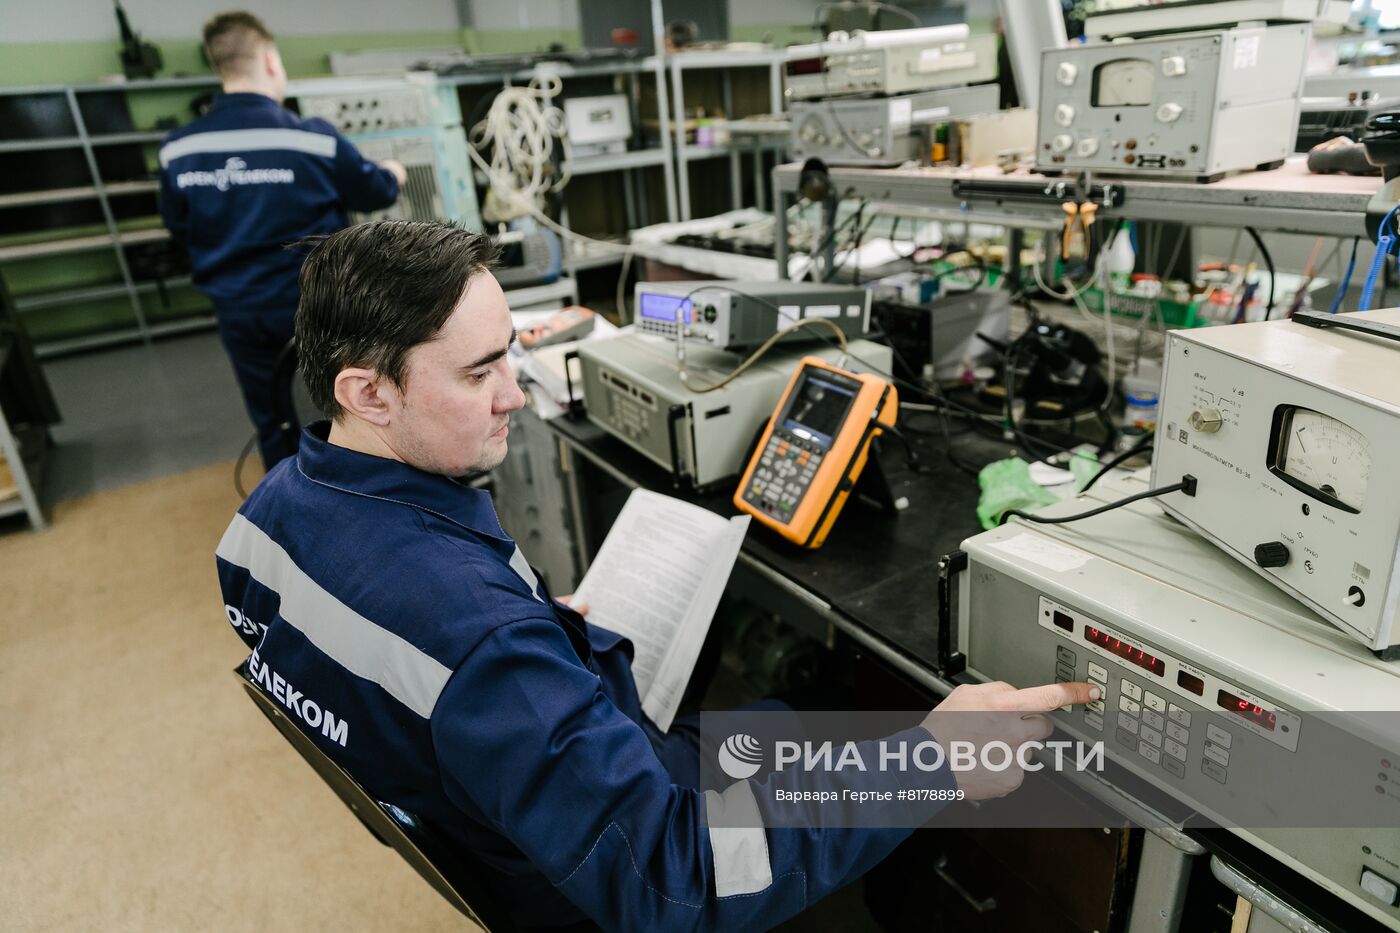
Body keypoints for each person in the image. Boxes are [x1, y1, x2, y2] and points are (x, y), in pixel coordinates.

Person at [215, 221, 1100, 930]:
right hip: (595, 875)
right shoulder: (479, 642)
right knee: (884, 739)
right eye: (481, 371)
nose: (515, 395)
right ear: (368, 392)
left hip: (492, 806)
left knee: (807, 715)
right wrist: (929, 766)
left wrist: (530, 637)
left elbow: (381, 659)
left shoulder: (261, 521)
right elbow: (677, 877)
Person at [158, 11, 407, 470]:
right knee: (342, 407)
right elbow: (374, 192)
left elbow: (178, 227)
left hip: (238, 309)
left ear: (220, 67)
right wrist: (393, 173)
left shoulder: (178, 149)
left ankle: (290, 510)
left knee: (272, 415)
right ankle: (355, 502)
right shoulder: (310, 139)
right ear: (271, 61)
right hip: (316, 305)